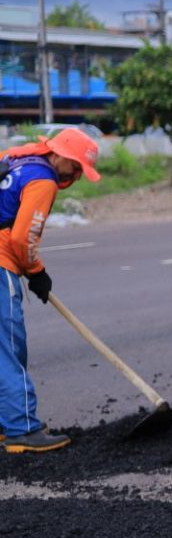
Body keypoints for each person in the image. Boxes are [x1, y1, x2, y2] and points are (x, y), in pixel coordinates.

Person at [0, 127, 101, 453]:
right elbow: (21, 238)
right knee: (10, 350)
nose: (77, 176)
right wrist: (37, 272)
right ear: (62, 156)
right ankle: (22, 429)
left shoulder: (13, 159)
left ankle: (5, 424)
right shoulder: (42, 180)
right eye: (76, 168)